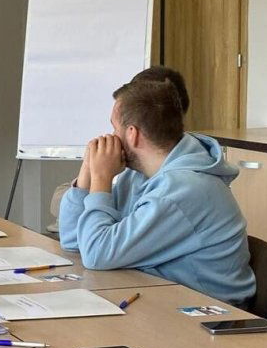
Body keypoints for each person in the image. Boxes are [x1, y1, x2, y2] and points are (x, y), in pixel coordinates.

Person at [59, 77, 255, 305]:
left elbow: (96, 254)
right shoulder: (137, 174)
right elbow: (74, 242)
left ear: (132, 134)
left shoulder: (183, 191)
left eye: (114, 127)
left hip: (209, 316)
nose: (109, 137)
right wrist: (88, 171)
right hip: (159, 297)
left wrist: (101, 179)